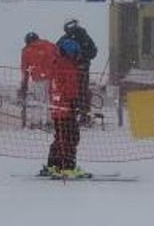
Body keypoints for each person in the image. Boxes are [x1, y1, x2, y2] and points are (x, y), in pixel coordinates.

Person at [42, 39, 91, 179]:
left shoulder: (56, 63)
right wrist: (75, 102)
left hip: (57, 107)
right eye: (76, 53)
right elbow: (70, 87)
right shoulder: (67, 66)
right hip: (66, 107)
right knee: (71, 136)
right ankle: (67, 167)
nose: (77, 56)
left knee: (61, 136)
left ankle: (53, 164)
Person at [56, 18, 98, 120]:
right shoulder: (66, 39)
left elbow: (93, 52)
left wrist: (81, 57)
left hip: (79, 69)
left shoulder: (84, 37)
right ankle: (74, 113)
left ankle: (82, 114)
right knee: (75, 91)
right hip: (70, 70)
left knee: (80, 91)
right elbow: (56, 51)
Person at [19, 32, 58, 128]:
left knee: (38, 100)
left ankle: (36, 122)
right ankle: (51, 121)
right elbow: (58, 57)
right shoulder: (50, 45)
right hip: (53, 76)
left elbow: (25, 68)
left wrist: (24, 83)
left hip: (38, 78)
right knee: (51, 99)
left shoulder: (27, 50)